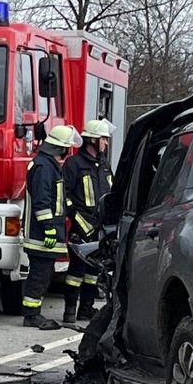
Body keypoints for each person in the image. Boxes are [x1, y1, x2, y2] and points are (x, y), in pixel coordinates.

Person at [19, 124, 77, 329]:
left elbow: (57, 198)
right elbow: (42, 201)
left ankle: (34, 313)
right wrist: (49, 228)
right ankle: (31, 315)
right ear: (60, 147)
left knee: (45, 273)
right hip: (40, 234)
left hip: (47, 231)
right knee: (39, 274)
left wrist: (71, 209)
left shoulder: (49, 165)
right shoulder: (43, 167)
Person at [60, 118, 116, 326]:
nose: (106, 143)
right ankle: (69, 312)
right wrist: (81, 223)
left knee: (94, 272)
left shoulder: (103, 164)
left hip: (101, 226)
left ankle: (86, 309)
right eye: (104, 139)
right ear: (92, 140)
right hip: (81, 224)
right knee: (76, 272)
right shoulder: (74, 164)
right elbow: (65, 197)